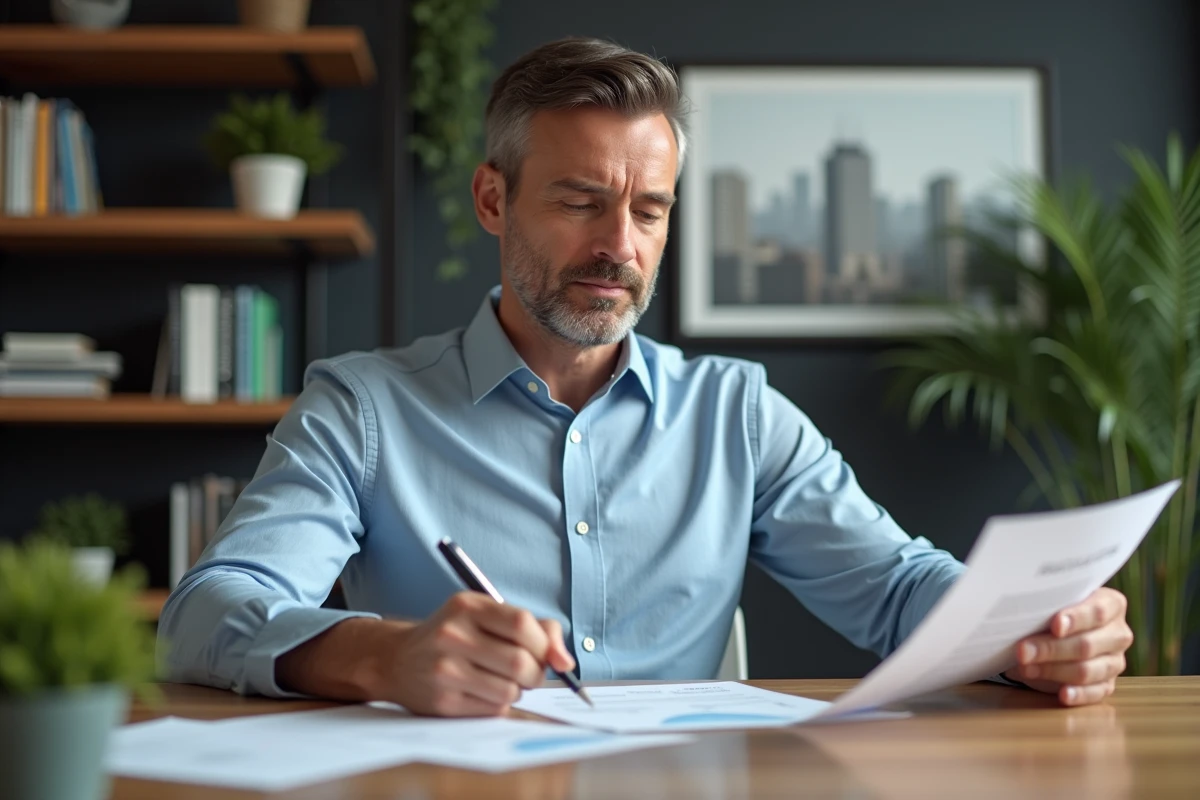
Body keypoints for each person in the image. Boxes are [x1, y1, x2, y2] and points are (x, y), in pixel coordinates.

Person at [159, 37, 1133, 717]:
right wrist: (385, 654)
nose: (619, 246)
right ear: (493, 199)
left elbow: (895, 586)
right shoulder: (363, 408)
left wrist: (1035, 629)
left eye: (650, 210)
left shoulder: (737, 412)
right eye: (581, 201)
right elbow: (205, 611)